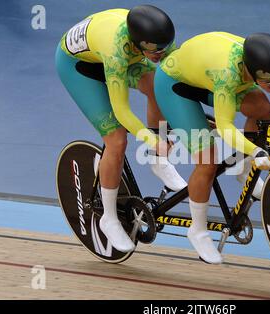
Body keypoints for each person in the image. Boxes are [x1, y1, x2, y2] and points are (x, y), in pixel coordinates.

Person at [154, 32, 270, 264]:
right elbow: (226, 126)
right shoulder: (228, 73)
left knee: (261, 108)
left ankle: (244, 171)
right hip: (174, 85)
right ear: (253, 69)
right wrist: (257, 152)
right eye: (269, 80)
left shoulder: (268, 68)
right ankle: (197, 230)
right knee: (208, 162)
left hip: (202, 80)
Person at [55, 5, 187, 253]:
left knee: (157, 88)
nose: (160, 54)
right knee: (116, 140)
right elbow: (122, 111)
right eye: (154, 51)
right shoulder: (117, 51)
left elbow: (176, 79)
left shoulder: (157, 39)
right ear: (139, 44)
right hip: (79, 68)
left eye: (163, 49)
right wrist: (151, 138)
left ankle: (158, 162)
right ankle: (108, 218)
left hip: (113, 54)